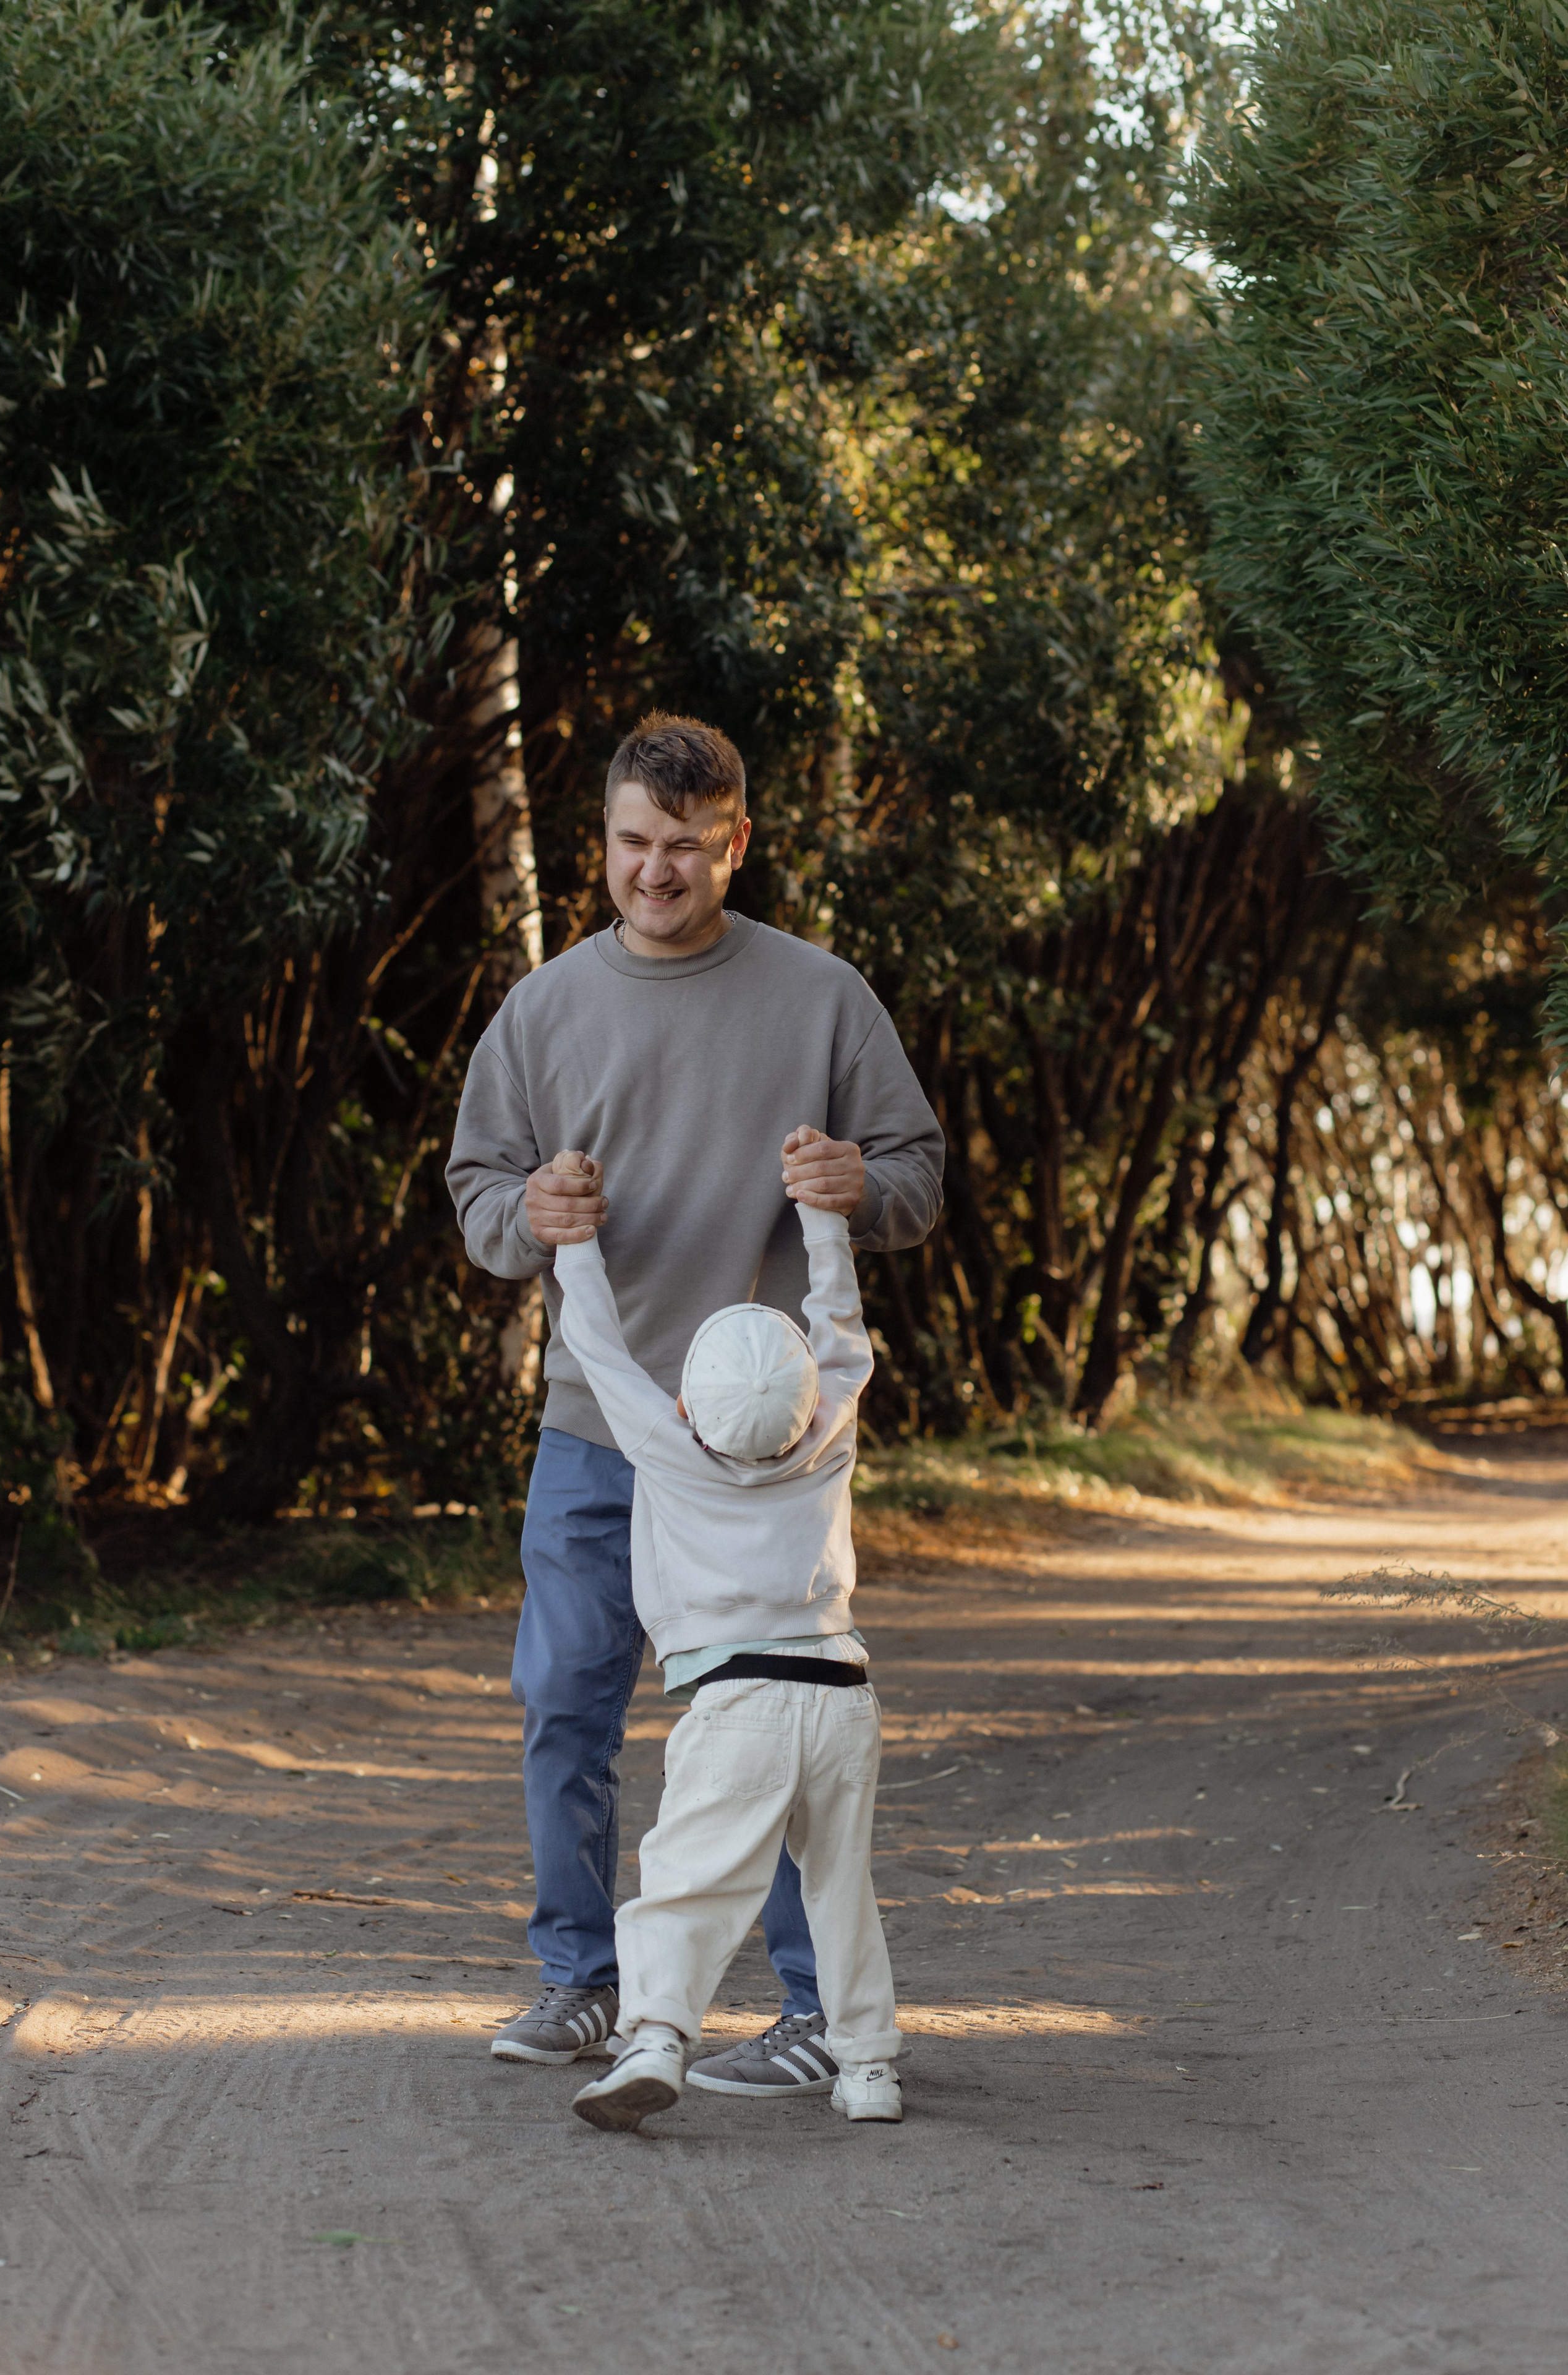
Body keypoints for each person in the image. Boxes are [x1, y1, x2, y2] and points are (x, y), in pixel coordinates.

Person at [446, 712, 943, 2094]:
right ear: (601, 839)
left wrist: (860, 1182)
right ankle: (581, 1984)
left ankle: (802, 2015)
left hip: (762, 1456)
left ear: (735, 844)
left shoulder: (822, 997)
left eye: (682, 848)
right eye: (628, 844)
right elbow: (476, 1191)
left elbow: (914, 1173)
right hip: (597, 1428)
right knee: (564, 1698)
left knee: (768, 1709)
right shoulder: (543, 1010)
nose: (652, 874)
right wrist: (526, 1211)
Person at [538, 1141, 900, 2132]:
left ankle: (655, 2033)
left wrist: (576, 1244)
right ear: (806, 1391)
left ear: (689, 1404)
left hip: (737, 1699)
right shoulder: (832, 1427)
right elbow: (839, 1319)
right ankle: (868, 2069)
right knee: (840, 1892)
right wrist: (821, 1218)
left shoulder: (665, 1447)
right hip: (841, 1690)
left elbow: (601, 1350)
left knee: (686, 1882)